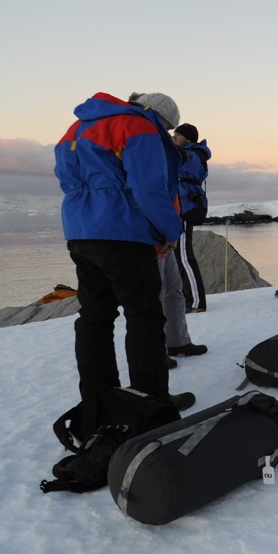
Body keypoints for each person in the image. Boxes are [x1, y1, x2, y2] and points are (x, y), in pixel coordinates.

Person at [54, 91, 193, 410]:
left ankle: (99, 400)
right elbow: (149, 188)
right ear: (161, 116)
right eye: (168, 126)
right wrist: (170, 231)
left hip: (80, 231)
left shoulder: (77, 127)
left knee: (95, 317)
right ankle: (151, 401)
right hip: (125, 233)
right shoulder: (138, 125)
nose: (166, 132)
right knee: (144, 317)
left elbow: (68, 179)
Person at [171, 123, 210, 312]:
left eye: (177, 134)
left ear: (188, 138)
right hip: (176, 209)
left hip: (185, 209)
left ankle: (196, 303)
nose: (174, 137)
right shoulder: (187, 153)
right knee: (176, 257)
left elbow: (184, 160)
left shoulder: (195, 155)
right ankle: (184, 298)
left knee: (184, 256)